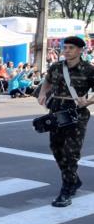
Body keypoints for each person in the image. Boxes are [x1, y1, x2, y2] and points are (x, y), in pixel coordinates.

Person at [38, 36, 94, 207]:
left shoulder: (88, 70)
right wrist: (42, 93)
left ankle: (67, 188)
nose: (67, 50)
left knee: (71, 152)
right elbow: (47, 81)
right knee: (56, 147)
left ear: (80, 50)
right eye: (65, 47)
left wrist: (88, 101)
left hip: (76, 113)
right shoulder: (56, 67)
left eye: (71, 47)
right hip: (56, 110)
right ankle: (73, 179)